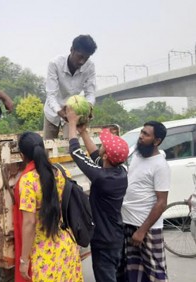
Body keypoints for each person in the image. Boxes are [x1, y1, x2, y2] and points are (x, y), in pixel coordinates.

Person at [66, 107, 129, 282]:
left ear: (108, 155)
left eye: (104, 146)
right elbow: (96, 157)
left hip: (104, 241)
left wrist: (71, 123)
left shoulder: (102, 178)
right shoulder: (120, 171)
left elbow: (76, 153)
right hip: (115, 236)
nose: (100, 146)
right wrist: (84, 132)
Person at [15, 131, 83, 281]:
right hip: (67, 245)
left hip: (45, 253)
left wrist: (24, 260)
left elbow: (29, 222)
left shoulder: (28, 180)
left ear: (22, 155)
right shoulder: (62, 172)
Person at [118, 121, 170, 282]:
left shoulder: (161, 166)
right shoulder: (137, 155)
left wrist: (142, 231)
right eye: (142, 132)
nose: (141, 136)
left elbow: (162, 203)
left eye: (146, 134)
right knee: (132, 271)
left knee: (155, 272)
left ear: (157, 141)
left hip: (146, 228)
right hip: (127, 222)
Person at [43, 34, 97, 139]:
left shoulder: (90, 67)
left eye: (86, 58)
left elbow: (90, 93)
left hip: (73, 112)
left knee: (73, 147)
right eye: (80, 56)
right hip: (52, 111)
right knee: (47, 148)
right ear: (71, 49)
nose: (82, 61)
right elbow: (51, 95)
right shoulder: (55, 64)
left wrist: (88, 108)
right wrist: (60, 112)